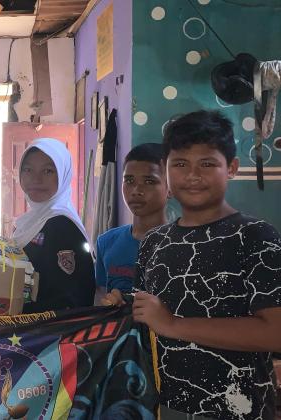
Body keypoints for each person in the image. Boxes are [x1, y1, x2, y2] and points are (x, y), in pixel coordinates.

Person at [105, 110, 281, 419]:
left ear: (232, 168)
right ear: (167, 169)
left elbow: (275, 331)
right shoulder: (154, 242)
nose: (193, 175)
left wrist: (173, 324)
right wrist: (125, 306)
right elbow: (150, 318)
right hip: (163, 407)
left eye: (207, 164)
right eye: (180, 164)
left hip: (241, 411)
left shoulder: (256, 237)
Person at [12, 138, 95, 312]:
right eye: (28, 170)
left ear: (63, 175)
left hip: (50, 327)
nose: (36, 179)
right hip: (27, 324)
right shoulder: (30, 221)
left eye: (48, 171)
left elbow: (68, 300)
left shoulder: (62, 225)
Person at [94, 143, 169, 302]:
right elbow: (101, 293)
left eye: (149, 181)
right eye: (129, 180)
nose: (136, 191)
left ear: (170, 188)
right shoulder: (106, 242)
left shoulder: (182, 244)